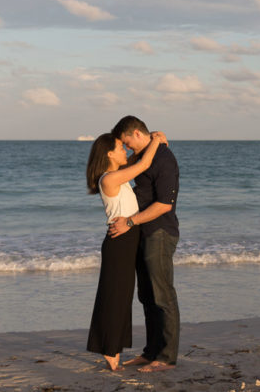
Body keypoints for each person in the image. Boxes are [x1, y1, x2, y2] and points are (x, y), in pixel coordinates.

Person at [85, 130, 167, 371]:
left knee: (122, 297)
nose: (126, 151)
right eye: (122, 147)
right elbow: (144, 163)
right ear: (110, 153)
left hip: (128, 240)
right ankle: (109, 350)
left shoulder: (116, 174)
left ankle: (112, 348)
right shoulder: (108, 179)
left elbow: (137, 159)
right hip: (119, 243)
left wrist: (150, 139)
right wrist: (156, 141)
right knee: (114, 297)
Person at [109, 115, 180, 373]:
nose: (127, 149)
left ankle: (167, 357)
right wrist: (157, 136)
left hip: (160, 233)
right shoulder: (144, 155)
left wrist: (129, 222)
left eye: (128, 143)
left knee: (163, 296)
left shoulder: (164, 159)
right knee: (147, 296)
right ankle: (150, 353)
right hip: (142, 233)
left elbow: (164, 204)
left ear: (138, 134)